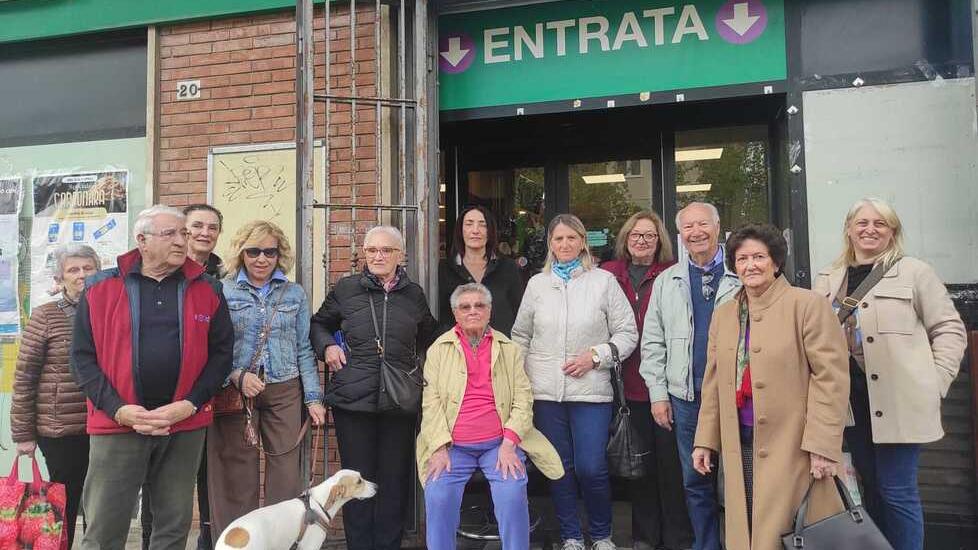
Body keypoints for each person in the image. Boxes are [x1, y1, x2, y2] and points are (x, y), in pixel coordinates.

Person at [70, 204, 233, 550]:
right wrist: (118, 409)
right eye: (171, 233)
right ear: (141, 240)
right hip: (118, 425)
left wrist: (188, 405)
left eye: (183, 234)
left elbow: (221, 357)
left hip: (183, 427)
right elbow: (82, 360)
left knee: (172, 528)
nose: (181, 241)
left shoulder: (208, 289)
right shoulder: (100, 288)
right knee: (103, 530)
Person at [813, 198, 966, 550]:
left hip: (900, 401)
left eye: (880, 224)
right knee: (870, 487)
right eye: (862, 223)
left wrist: (935, 382)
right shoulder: (828, 278)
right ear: (849, 230)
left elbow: (949, 329)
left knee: (897, 490)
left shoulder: (914, 271)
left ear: (892, 232)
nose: (870, 229)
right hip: (849, 402)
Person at [691, 223, 850, 550]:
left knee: (787, 533)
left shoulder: (807, 305)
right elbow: (713, 384)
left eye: (759, 257)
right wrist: (705, 441)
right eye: (742, 258)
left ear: (776, 262)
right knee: (746, 526)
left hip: (795, 447)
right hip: (741, 441)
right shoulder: (724, 315)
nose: (750, 265)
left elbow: (830, 379)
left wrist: (823, 445)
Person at [511, 214, 638, 550]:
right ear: (550, 244)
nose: (564, 245)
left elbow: (627, 333)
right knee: (559, 467)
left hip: (591, 393)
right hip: (546, 394)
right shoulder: (537, 285)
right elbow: (521, 334)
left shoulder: (603, 282)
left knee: (591, 467)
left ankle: (601, 534)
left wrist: (596, 356)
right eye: (558, 239)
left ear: (583, 241)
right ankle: (570, 535)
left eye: (571, 238)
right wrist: (519, 373)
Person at [310, 225, 437, 550]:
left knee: (395, 480)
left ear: (400, 255)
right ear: (364, 254)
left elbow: (429, 337)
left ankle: (389, 544)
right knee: (356, 480)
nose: (378, 256)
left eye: (386, 250)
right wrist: (327, 347)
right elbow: (319, 323)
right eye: (372, 250)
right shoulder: (347, 289)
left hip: (399, 400)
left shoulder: (413, 294)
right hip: (354, 400)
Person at [418, 283, 564, 550]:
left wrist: (509, 444)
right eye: (465, 307)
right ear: (455, 314)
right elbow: (431, 403)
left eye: (479, 305)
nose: (473, 311)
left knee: (511, 493)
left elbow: (523, 400)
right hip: (453, 447)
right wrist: (438, 446)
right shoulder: (439, 349)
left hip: (499, 445)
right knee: (438, 494)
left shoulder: (509, 349)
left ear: (489, 310)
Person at [207, 220, 326, 540]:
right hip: (235, 391)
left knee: (285, 475)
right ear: (242, 253)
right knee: (236, 474)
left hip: (285, 388)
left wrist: (313, 397)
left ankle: (281, 540)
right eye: (254, 251)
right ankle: (237, 542)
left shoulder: (294, 292)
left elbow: (303, 346)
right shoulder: (223, 290)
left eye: (269, 252)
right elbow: (213, 346)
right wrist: (237, 375)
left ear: (279, 254)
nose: (262, 258)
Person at [639, 202, 741, 550]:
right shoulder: (668, 280)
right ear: (680, 235)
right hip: (686, 400)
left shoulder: (743, 273)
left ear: (717, 226)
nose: (696, 232)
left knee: (742, 480)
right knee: (695, 481)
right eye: (688, 227)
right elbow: (652, 342)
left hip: (737, 397)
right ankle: (706, 545)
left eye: (703, 224)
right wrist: (658, 394)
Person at [599, 211, 692, 550]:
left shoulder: (673, 274)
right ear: (626, 239)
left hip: (666, 384)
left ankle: (677, 538)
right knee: (639, 466)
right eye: (635, 235)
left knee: (672, 468)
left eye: (649, 236)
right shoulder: (608, 274)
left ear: (660, 241)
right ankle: (644, 536)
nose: (641, 241)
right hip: (624, 388)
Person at [142, 203, 225, 550]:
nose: (204, 233)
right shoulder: (151, 275)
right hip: (153, 405)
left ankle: (207, 542)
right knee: (156, 485)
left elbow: (223, 343)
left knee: (207, 479)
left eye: (213, 227)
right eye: (196, 226)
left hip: (206, 399)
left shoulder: (225, 276)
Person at [11, 243, 100, 548]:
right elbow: (24, 376)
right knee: (65, 502)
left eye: (88, 268)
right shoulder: (46, 316)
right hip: (61, 430)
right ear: (60, 278)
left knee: (101, 502)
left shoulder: (113, 311)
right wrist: (23, 434)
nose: (82, 275)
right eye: (73, 270)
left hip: (107, 424)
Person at [438, 206, 524, 336]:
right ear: (460, 231)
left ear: (490, 231)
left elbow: (520, 313)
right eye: (469, 224)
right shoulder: (445, 269)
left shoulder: (508, 268)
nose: (475, 230)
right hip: (458, 351)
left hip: (500, 351)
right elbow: (442, 316)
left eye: (482, 225)